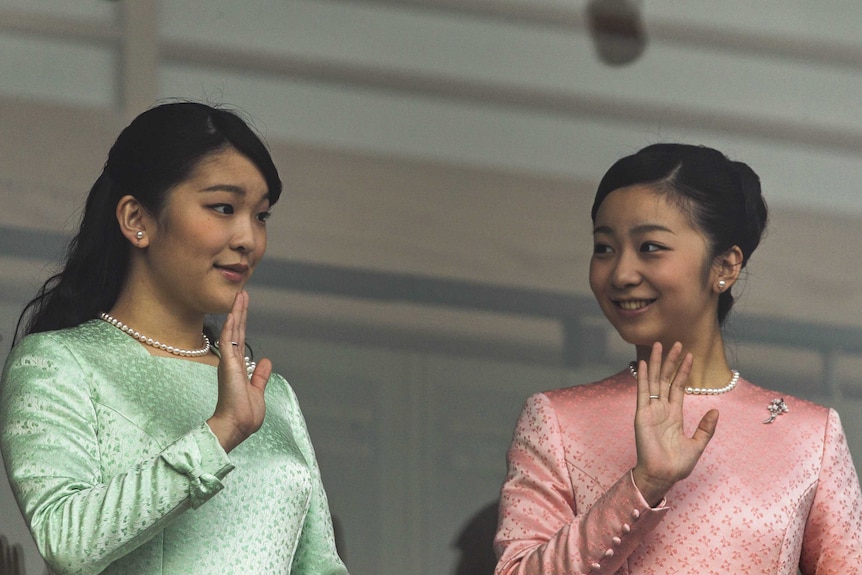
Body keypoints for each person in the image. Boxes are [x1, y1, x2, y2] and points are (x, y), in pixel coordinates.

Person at [0, 102, 348, 575]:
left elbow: (321, 566)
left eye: (261, 216)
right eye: (223, 207)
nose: (249, 238)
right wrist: (220, 432)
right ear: (136, 219)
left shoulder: (272, 394)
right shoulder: (59, 364)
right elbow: (66, 540)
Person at [494, 143, 862, 574]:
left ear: (724, 265)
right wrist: (645, 483)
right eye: (604, 248)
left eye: (650, 247)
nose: (621, 274)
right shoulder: (557, 420)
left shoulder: (808, 435)